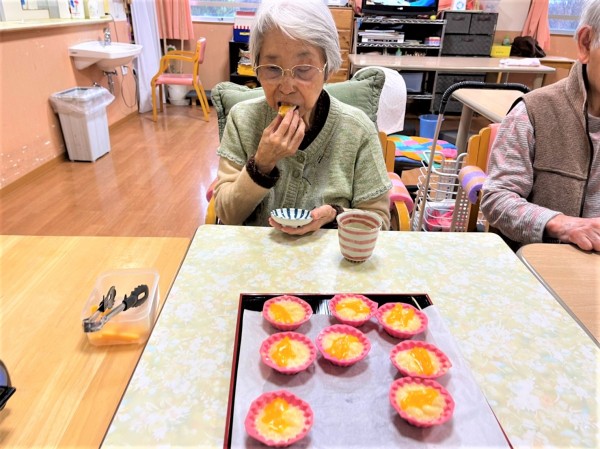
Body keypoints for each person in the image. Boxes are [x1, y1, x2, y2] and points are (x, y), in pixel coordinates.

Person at [213, 0, 392, 234]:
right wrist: (262, 164)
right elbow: (226, 215)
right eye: (272, 68)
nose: (287, 87)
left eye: (304, 69)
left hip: (329, 256)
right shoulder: (242, 120)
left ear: (328, 69)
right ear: (256, 67)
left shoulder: (358, 129)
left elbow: (380, 221)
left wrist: (335, 215)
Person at [481, 0, 600, 252]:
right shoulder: (533, 113)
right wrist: (561, 224)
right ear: (586, 42)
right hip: (544, 266)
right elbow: (497, 199)